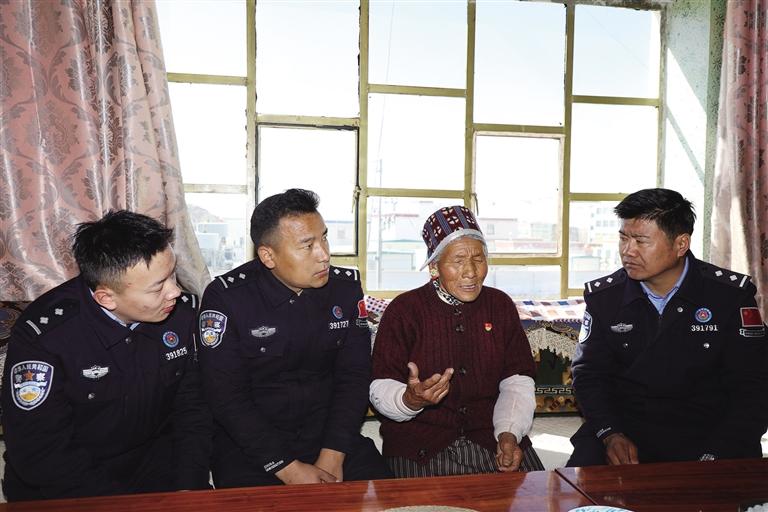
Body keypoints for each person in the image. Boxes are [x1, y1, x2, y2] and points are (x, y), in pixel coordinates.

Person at [1, 210, 212, 501]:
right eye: (158, 286)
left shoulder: (181, 314)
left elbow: (193, 409)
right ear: (106, 298)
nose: (175, 292)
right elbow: (41, 450)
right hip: (65, 485)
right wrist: (118, 505)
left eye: (172, 275)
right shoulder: (45, 336)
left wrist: (190, 485)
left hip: (152, 471)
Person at [197, 188, 390, 487]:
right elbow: (226, 397)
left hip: (330, 439)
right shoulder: (228, 298)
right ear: (268, 256)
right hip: (254, 448)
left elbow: (354, 376)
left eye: (324, 238)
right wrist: (288, 469)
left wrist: (333, 454)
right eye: (307, 245)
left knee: (391, 497)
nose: (324, 255)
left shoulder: (344, 289)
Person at [568, 188, 768, 466]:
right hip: (626, 427)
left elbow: (754, 386)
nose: (628, 251)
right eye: (624, 238)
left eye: (641, 241)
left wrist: (718, 452)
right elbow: (589, 375)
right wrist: (609, 433)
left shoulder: (729, 297)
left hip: (709, 431)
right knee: (576, 487)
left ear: (681, 244)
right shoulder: (606, 298)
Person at [369, 205, 543, 477]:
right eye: (458, 260)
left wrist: (509, 433)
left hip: (492, 438)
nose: (471, 272)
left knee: (539, 495)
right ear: (434, 267)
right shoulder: (404, 311)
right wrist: (410, 400)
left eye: (478, 258)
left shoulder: (499, 305)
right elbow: (380, 386)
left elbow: (516, 380)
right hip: (420, 446)